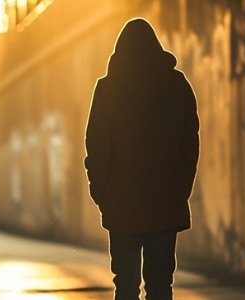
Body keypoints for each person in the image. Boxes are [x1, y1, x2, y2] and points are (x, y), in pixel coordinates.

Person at [84, 18, 199, 300]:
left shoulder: (107, 89)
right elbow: (189, 142)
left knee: (125, 283)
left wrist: (101, 193)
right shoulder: (176, 85)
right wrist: (180, 188)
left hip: (121, 203)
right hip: (165, 201)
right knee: (161, 284)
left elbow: (97, 146)